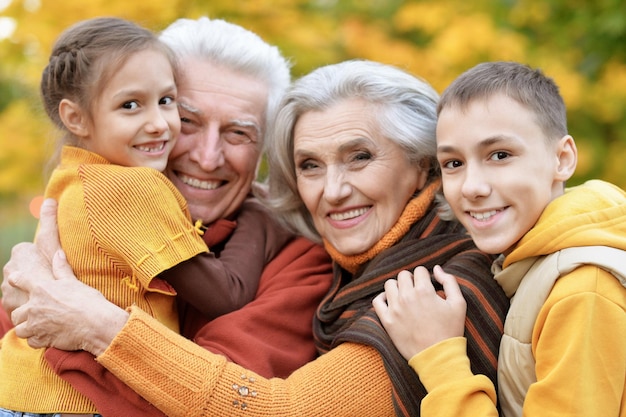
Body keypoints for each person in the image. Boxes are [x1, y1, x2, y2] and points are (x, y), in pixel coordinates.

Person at [3, 59, 509, 416]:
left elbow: (280, 412)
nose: (333, 191)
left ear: (424, 164)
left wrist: (94, 324)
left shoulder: (432, 290)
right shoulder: (358, 267)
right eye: (310, 165)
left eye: (360, 157)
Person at [1, 17, 333, 416]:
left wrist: (87, 325)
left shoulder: (300, 260)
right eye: (189, 122)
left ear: (264, 151)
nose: (207, 158)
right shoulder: (102, 204)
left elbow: (220, 401)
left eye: (238, 133)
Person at [373, 61, 626, 417]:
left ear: (562, 159)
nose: (473, 187)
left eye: (500, 155)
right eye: (453, 163)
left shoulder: (584, 290)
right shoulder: (526, 264)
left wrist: (440, 357)